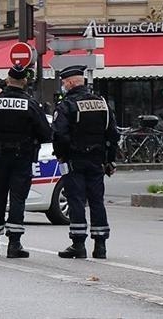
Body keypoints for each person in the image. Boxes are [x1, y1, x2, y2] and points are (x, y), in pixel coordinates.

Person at [0, 65, 52, 258]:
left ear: (7, 80)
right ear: (24, 81)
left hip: (0, 156)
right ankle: (14, 244)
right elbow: (45, 133)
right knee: (18, 198)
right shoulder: (31, 104)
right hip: (22, 157)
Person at [52, 65, 120, 259]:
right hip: (97, 160)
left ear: (72, 82)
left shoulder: (67, 105)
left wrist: (62, 155)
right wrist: (110, 160)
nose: (64, 86)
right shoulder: (102, 103)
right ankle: (100, 246)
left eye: (65, 82)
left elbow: (59, 135)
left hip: (75, 159)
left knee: (76, 201)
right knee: (97, 201)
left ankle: (78, 244)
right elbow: (113, 134)